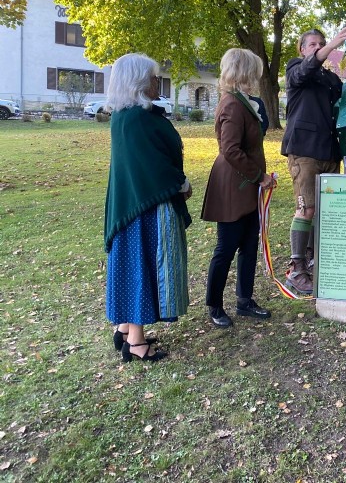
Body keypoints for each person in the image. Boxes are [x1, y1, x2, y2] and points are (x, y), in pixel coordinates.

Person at [104, 53, 193, 363]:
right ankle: (136, 343)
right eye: (153, 77)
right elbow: (153, 166)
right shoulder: (137, 119)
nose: (157, 82)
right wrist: (181, 184)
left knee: (133, 266)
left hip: (132, 204)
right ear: (139, 81)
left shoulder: (125, 116)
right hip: (146, 207)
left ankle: (125, 329)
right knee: (143, 267)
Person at [202, 48, 276, 328]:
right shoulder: (232, 104)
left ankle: (244, 300)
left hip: (246, 184)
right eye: (254, 72)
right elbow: (230, 149)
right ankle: (215, 305)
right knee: (226, 247)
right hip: (234, 185)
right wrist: (259, 176)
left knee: (248, 243)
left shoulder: (243, 101)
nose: (256, 77)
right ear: (244, 72)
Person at [280, 25, 346, 295]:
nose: (319, 47)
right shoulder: (295, 67)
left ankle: (312, 259)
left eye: (322, 43)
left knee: (323, 211)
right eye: (313, 44)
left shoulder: (328, 78)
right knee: (306, 209)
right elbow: (306, 70)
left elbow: (345, 94)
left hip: (329, 152)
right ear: (302, 49)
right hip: (304, 151)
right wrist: (331, 46)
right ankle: (296, 269)